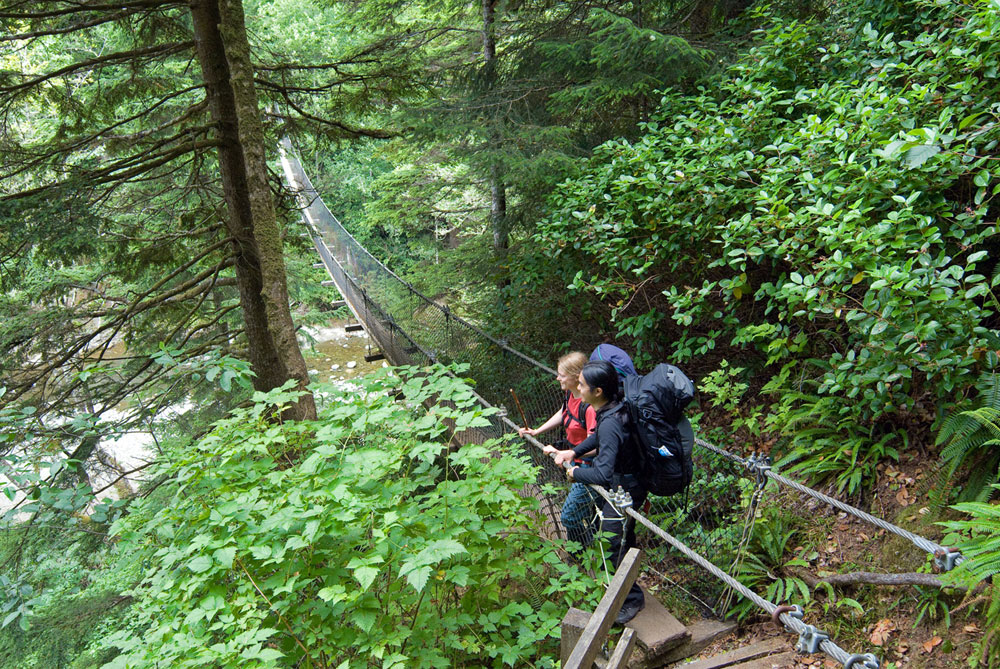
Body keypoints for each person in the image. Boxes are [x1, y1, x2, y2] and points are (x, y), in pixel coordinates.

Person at [552, 360, 646, 625]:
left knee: (612, 540)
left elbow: (602, 474)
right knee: (620, 538)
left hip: (624, 487)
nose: (577, 389)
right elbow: (600, 437)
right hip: (627, 482)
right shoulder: (613, 408)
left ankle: (631, 600)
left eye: (582, 385)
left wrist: (575, 472)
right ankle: (622, 585)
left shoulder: (609, 420)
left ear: (598, 391)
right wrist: (574, 451)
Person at [518, 352, 599, 548]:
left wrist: (568, 453)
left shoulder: (589, 407)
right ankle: (589, 547)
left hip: (588, 466)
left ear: (576, 375)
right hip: (574, 461)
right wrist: (537, 431)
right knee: (584, 511)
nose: (557, 378)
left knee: (569, 517)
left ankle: (584, 552)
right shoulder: (571, 394)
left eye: (562, 375)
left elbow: (596, 446)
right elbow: (565, 412)